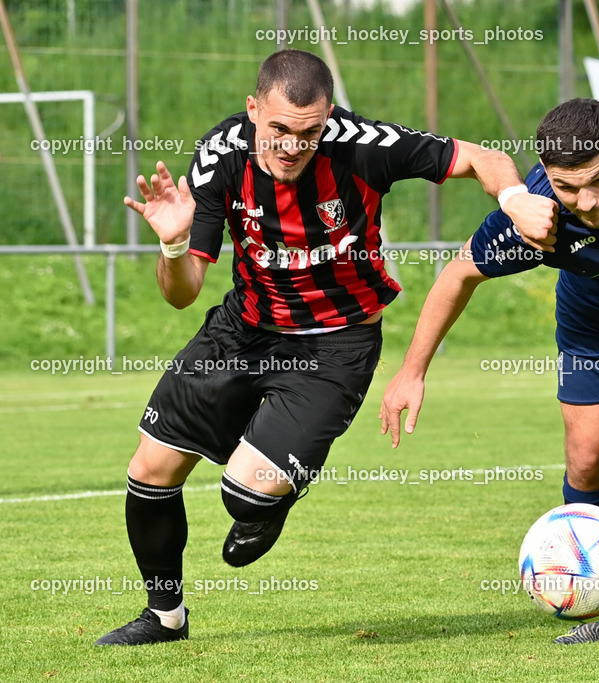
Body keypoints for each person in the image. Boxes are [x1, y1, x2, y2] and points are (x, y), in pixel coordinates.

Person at [95, 49, 557, 646]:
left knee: (245, 495)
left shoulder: (362, 145)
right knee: (150, 469)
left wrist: (514, 198)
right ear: (253, 109)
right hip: (244, 330)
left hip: (336, 343)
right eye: (278, 130)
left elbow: (483, 158)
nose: (291, 146)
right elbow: (182, 296)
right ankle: (164, 618)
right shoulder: (220, 159)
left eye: (308, 133)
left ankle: (277, 487)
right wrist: (176, 245)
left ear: (329, 117)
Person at [380, 76, 599, 644]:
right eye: (571, 188)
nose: (588, 202)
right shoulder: (537, 218)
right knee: (590, 460)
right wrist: (412, 370)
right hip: (594, 320)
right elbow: (459, 274)